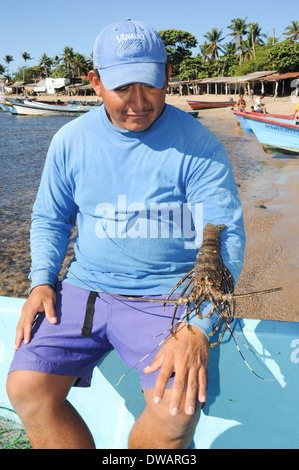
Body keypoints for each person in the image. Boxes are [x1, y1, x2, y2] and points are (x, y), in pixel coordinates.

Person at [6, 19, 245, 449]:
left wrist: (200, 325)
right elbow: (51, 217)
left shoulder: (199, 145)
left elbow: (224, 237)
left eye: (150, 86)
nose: (138, 102)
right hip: (86, 288)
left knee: (176, 410)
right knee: (26, 389)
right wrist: (42, 279)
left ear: (168, 76)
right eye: (123, 88)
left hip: (169, 296)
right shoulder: (70, 140)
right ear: (95, 83)